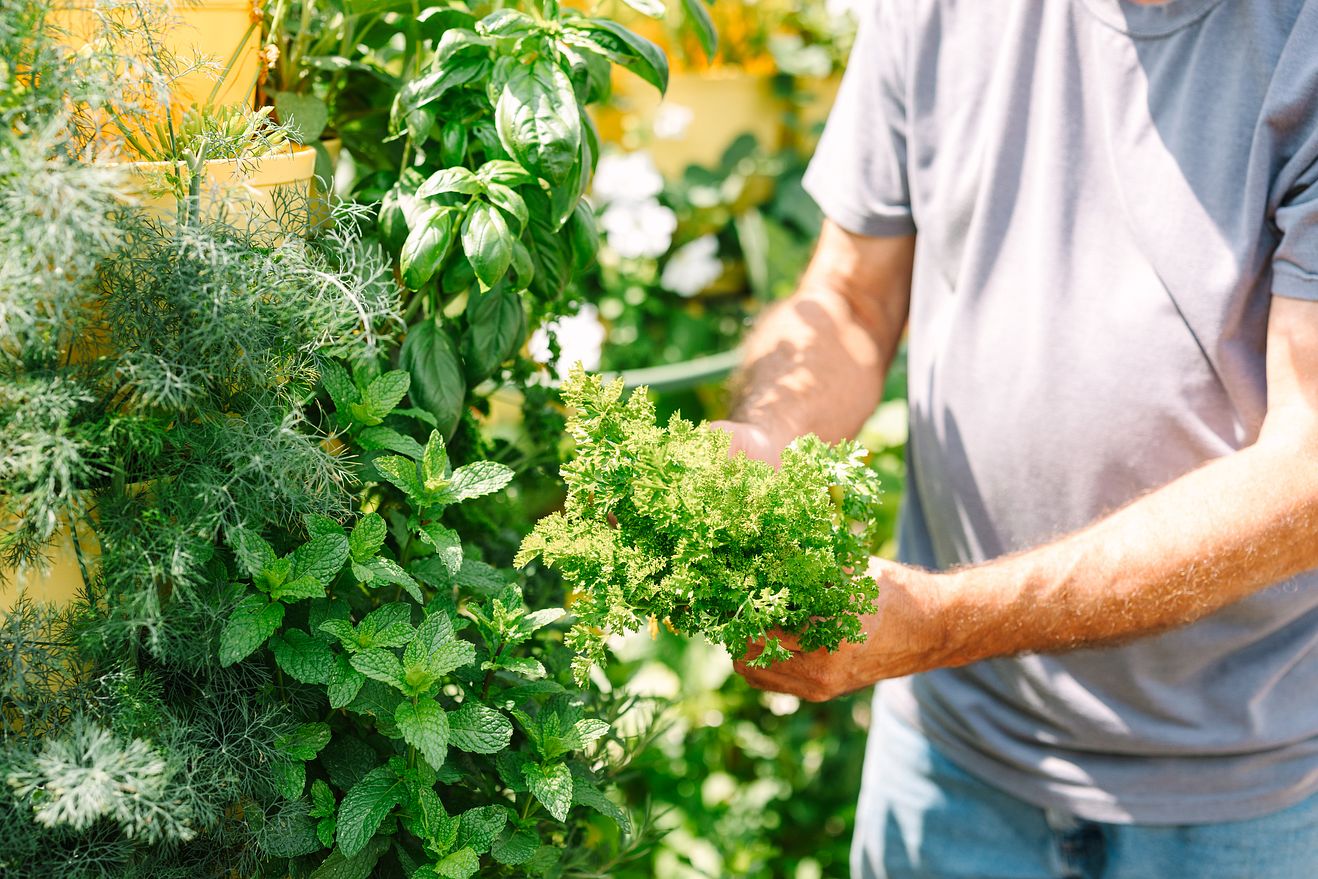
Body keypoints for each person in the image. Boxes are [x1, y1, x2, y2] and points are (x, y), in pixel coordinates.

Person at [716, 1, 1318, 876]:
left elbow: (1306, 471)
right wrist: (762, 438)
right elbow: (852, 298)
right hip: (950, 761)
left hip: (1240, 797)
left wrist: (940, 622)